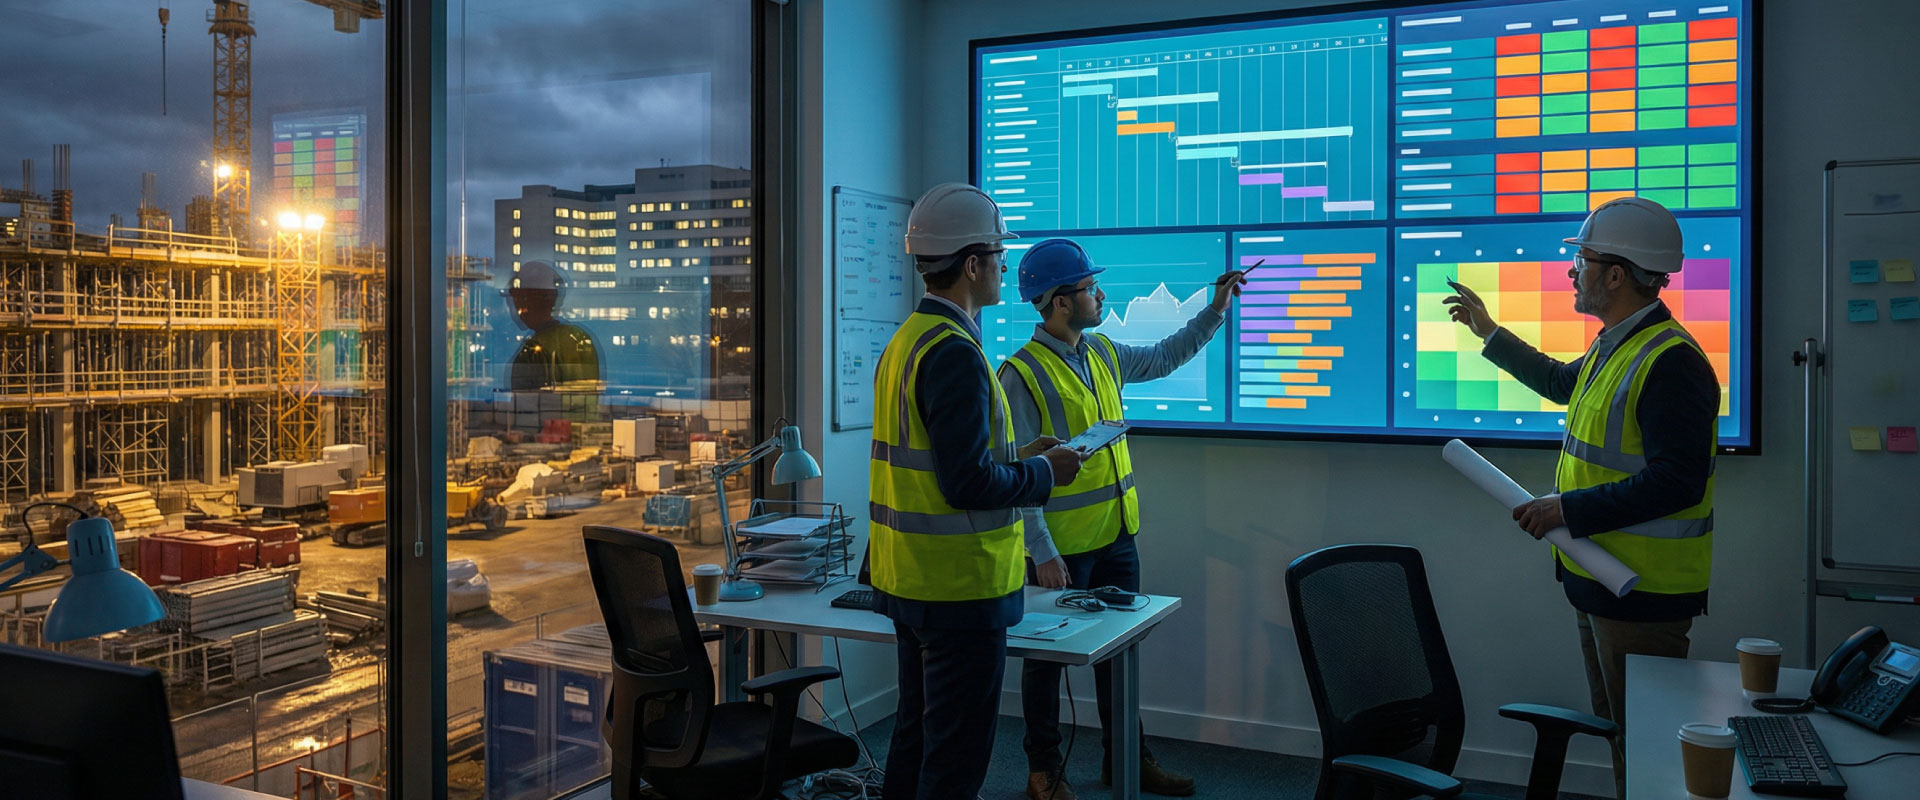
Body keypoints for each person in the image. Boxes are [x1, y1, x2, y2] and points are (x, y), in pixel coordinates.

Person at [1442, 197, 1719, 800]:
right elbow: (1561, 384)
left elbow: (1678, 481)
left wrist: (1566, 510)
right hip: (1600, 576)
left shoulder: (1671, 362)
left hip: (1643, 592)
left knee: (1647, 747)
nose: (1573, 272)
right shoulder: (1616, 343)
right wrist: (1489, 331)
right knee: (1624, 735)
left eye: (1583, 261)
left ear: (1616, 275)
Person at [997, 239, 1245, 800]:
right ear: (1060, 301)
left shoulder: (1103, 352)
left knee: (1119, 655)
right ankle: (1042, 772)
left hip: (1115, 536)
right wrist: (1041, 551)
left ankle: (1126, 759)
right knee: (1044, 664)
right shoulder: (1020, 374)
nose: (1100, 294)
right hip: (1060, 550)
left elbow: (1163, 356)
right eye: (1089, 288)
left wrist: (1215, 310)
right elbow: (1017, 472)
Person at [869, 183, 1088, 800]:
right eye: (996, 254)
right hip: (957, 590)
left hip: (907, 581)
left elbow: (943, 461)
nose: (1001, 267)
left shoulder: (908, 340)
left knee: (913, 744)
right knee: (955, 764)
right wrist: (1046, 474)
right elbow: (966, 483)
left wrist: (1020, 456)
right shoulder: (957, 353)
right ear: (971, 265)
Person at [504, 260, 602, 392]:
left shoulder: (535, 349)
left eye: (514, 302)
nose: (513, 309)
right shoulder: (579, 337)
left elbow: (527, 404)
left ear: (525, 302)